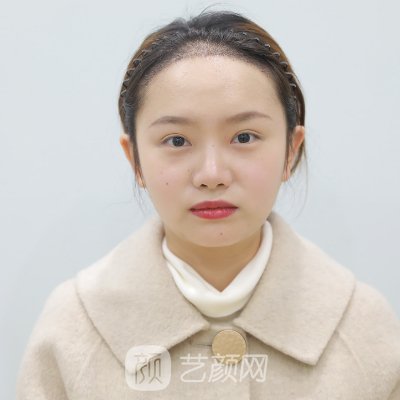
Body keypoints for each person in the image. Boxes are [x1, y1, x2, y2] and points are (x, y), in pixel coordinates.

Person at [16, 8, 400, 399]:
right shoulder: (72, 328)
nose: (211, 174)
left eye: (245, 137)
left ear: (291, 150)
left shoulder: (363, 328)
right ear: (135, 160)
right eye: (177, 141)